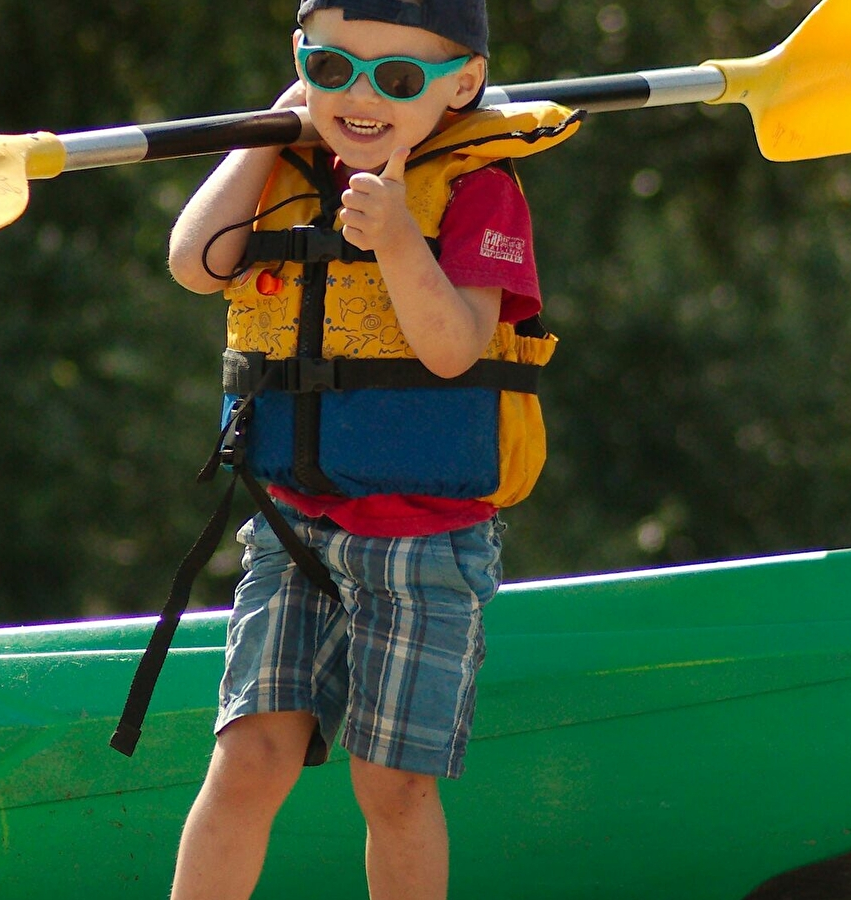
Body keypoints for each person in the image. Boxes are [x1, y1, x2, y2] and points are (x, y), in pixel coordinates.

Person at [163, 2, 578, 897]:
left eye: (397, 79)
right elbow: (195, 262)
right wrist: (263, 135)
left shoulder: (481, 188)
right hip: (295, 525)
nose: (360, 97)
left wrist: (396, 236)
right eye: (332, 67)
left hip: (426, 541)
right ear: (299, 62)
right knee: (249, 756)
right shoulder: (286, 161)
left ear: (463, 85)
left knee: (392, 783)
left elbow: (453, 348)